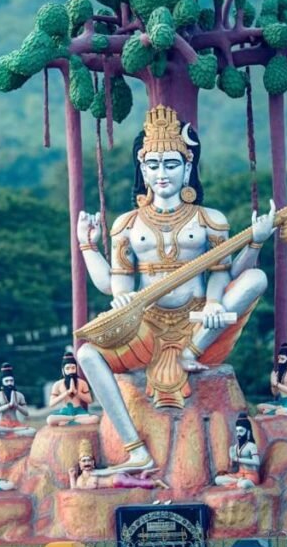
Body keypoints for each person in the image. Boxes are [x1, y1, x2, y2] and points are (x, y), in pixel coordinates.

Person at [75, 105, 276, 474]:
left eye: (171, 164)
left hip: (200, 324)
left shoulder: (209, 219)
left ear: (187, 168)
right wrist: (88, 247)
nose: (161, 173)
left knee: (256, 279)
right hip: (148, 327)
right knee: (88, 355)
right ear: (142, 168)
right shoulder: (126, 224)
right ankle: (135, 449)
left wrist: (254, 246)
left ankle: (190, 353)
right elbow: (116, 285)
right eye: (152, 165)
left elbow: (223, 271)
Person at [68, 439, 168, 490]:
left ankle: (156, 483)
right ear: (80, 464)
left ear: (93, 462)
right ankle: (144, 475)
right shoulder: (80, 479)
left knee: (137, 484)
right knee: (136, 483)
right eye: (84, 461)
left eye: (89, 460)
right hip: (117, 481)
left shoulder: (97, 472)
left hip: (116, 480)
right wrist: (72, 477)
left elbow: (111, 471)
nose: (87, 463)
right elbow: (75, 491)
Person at [46, 351, 100, 426]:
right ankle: (74, 419)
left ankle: (68, 422)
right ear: (63, 370)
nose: (71, 371)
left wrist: (77, 392)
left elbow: (90, 401)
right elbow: (51, 404)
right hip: (65, 412)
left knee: (95, 418)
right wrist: (67, 392)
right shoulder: (57, 384)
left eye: (73, 368)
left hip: (79, 411)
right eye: (67, 368)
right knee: (50, 419)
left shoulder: (82, 383)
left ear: (76, 369)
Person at [0, 362, 36, 437]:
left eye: (11, 381)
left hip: (16, 424)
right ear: (2, 382)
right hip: (2, 425)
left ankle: (13, 431)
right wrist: (7, 406)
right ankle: (12, 431)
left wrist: (16, 406)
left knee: (32, 431)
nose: (9, 383)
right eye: (6, 381)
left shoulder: (19, 395)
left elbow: (26, 413)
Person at [214, 412, 260, 489]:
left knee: (244, 484)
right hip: (239, 475)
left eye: (241, 431)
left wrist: (237, 459)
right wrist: (231, 458)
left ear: (248, 431)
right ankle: (237, 481)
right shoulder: (235, 447)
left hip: (251, 476)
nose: (238, 434)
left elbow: (257, 462)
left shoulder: (251, 446)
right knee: (217, 479)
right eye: (237, 431)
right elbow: (232, 466)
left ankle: (241, 482)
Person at [257, 343, 287, 416]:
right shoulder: (278, 374)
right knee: (259, 407)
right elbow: (275, 393)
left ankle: (275, 410)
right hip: (280, 402)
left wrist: (277, 384)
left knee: (282, 412)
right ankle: (277, 408)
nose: (280, 361)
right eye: (279, 359)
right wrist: (273, 384)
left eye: (282, 359)